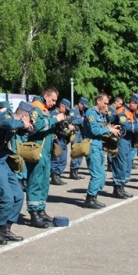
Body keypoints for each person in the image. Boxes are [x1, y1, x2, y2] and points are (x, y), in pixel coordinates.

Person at [0, 101, 33, 244]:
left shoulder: (15, 120)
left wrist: (27, 126)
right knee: (7, 198)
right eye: (29, 116)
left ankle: (6, 228)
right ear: (23, 115)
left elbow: (27, 131)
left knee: (18, 195)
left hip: (4, 162)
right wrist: (22, 123)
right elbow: (9, 124)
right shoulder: (6, 115)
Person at [24, 87, 68, 227]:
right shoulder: (35, 108)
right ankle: (33, 214)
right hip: (37, 150)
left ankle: (41, 209)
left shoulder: (44, 109)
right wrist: (55, 119)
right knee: (35, 181)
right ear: (45, 96)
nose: (54, 103)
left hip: (46, 151)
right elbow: (38, 126)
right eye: (52, 100)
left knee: (44, 182)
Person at [81, 93, 120, 208]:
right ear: (98, 101)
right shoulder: (91, 113)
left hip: (99, 146)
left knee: (102, 174)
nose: (106, 106)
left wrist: (111, 126)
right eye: (105, 103)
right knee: (97, 174)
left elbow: (104, 126)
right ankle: (90, 199)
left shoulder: (102, 114)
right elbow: (95, 130)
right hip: (92, 146)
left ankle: (94, 196)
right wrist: (109, 129)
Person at [112, 94, 138, 198]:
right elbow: (126, 126)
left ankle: (122, 187)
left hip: (129, 141)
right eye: (137, 105)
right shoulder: (122, 111)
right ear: (132, 103)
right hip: (121, 140)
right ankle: (117, 188)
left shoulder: (132, 112)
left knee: (127, 164)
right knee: (120, 164)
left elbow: (134, 125)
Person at [50, 99, 71, 186]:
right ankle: (54, 176)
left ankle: (58, 175)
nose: (67, 111)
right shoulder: (53, 113)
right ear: (61, 106)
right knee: (56, 159)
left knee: (63, 159)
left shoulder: (64, 115)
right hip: (56, 138)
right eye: (66, 109)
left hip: (62, 139)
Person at [69, 96, 88, 180]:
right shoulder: (73, 110)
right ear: (80, 103)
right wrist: (81, 120)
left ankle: (77, 170)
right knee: (75, 151)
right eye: (83, 105)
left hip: (82, 133)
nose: (84, 107)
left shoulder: (83, 112)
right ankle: (72, 171)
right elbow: (71, 120)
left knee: (81, 152)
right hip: (76, 133)